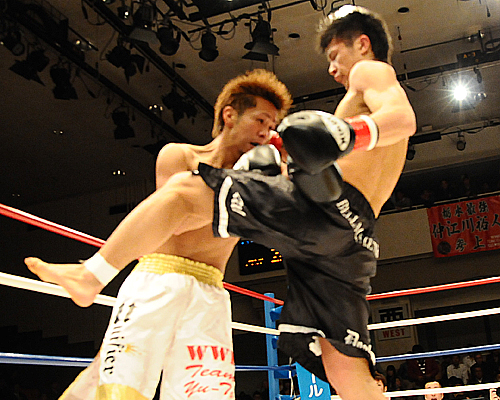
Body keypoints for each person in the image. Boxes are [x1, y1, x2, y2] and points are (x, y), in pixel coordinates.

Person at [26, 5, 416, 400]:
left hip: (326, 212)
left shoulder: (370, 71)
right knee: (344, 366)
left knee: (184, 192)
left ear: (361, 44)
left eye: (335, 55)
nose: (332, 69)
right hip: (355, 238)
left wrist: (348, 133)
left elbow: (404, 119)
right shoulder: (186, 153)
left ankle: (91, 275)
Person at [25, 69, 293, 400]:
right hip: (157, 281)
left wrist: (270, 181)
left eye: (272, 126)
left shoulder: (261, 178)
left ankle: (91, 276)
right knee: (119, 393)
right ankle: (90, 276)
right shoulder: (181, 156)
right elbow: (175, 221)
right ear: (229, 115)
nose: (266, 132)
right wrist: (239, 185)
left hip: (211, 293)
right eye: (260, 120)